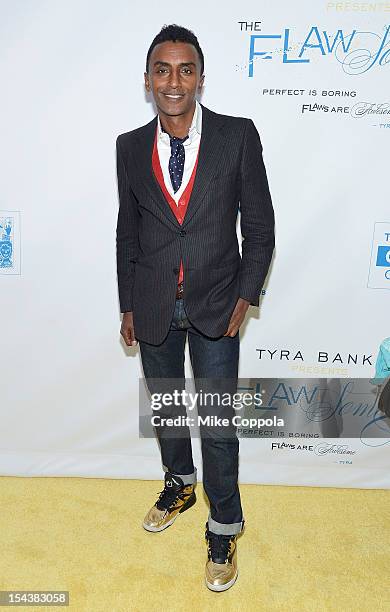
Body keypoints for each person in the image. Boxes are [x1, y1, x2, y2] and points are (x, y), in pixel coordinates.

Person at [115, 23, 275, 592]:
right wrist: (128, 304)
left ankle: (224, 525)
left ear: (200, 79)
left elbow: (259, 226)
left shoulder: (236, 137)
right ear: (148, 80)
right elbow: (127, 232)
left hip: (215, 306)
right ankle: (179, 483)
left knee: (217, 425)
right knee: (165, 410)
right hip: (154, 304)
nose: (174, 81)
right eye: (163, 70)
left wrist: (246, 294)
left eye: (185, 70)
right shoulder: (129, 146)